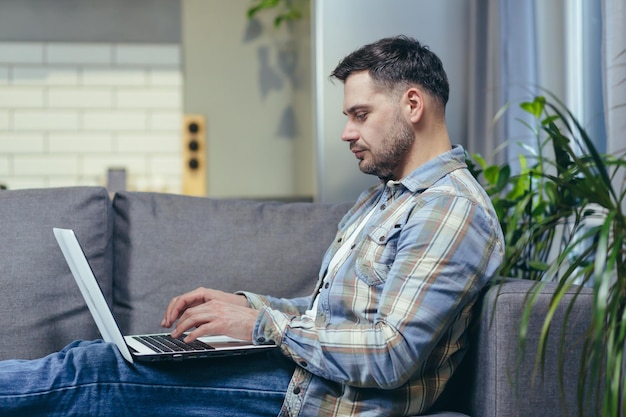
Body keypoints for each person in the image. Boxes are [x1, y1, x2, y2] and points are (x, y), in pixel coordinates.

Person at [0, 35, 504, 417]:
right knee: (99, 355)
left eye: (360, 114)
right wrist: (247, 306)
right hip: (300, 375)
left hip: (319, 399)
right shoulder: (384, 199)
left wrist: (261, 326)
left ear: (412, 105)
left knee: (96, 374)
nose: (347, 132)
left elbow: (391, 353)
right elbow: (338, 316)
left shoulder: (449, 209)